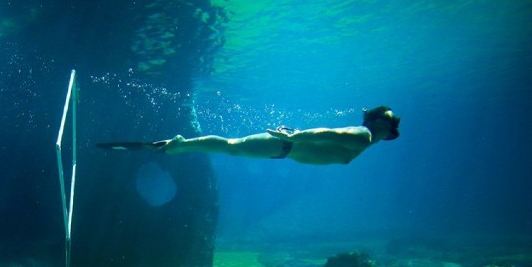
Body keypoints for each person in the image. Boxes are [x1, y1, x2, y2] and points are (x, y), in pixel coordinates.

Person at [99, 106, 400, 165]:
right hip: (284, 145)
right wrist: (295, 136)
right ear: (377, 121)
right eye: (390, 119)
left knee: (233, 148)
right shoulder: (362, 134)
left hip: (285, 149)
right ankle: (181, 146)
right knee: (232, 147)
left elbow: (326, 140)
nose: (393, 123)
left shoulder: (366, 138)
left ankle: (181, 146)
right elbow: (327, 133)